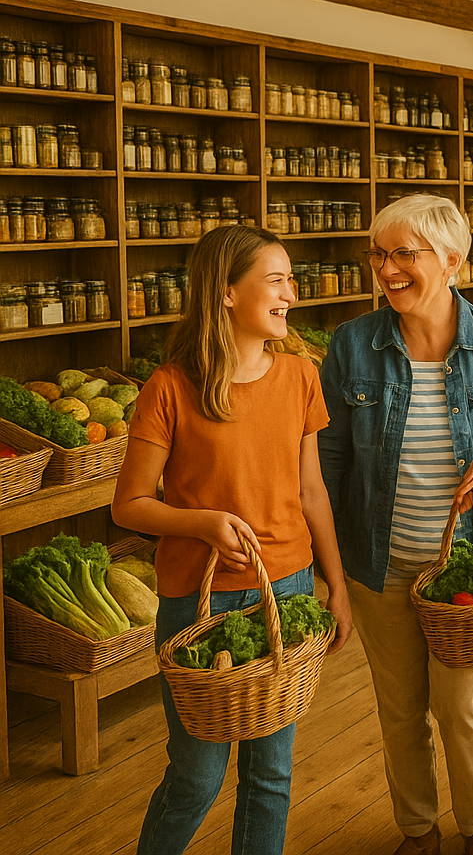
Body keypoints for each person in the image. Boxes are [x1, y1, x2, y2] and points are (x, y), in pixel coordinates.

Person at [318, 195, 473, 855]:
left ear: (451, 261)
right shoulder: (352, 345)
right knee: (399, 710)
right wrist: (325, 568)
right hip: (379, 562)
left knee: (463, 709)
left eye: (403, 254)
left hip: (465, 571)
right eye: (378, 254)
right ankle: (418, 833)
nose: (386, 269)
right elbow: (329, 460)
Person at [113, 225, 351, 855]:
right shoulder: (170, 387)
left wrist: (336, 586)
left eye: (291, 280)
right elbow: (128, 504)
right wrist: (203, 523)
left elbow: (313, 492)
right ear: (225, 292)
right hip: (199, 603)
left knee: (271, 774)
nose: (291, 294)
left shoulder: (301, 376)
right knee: (197, 776)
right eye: (275, 280)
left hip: (288, 592)